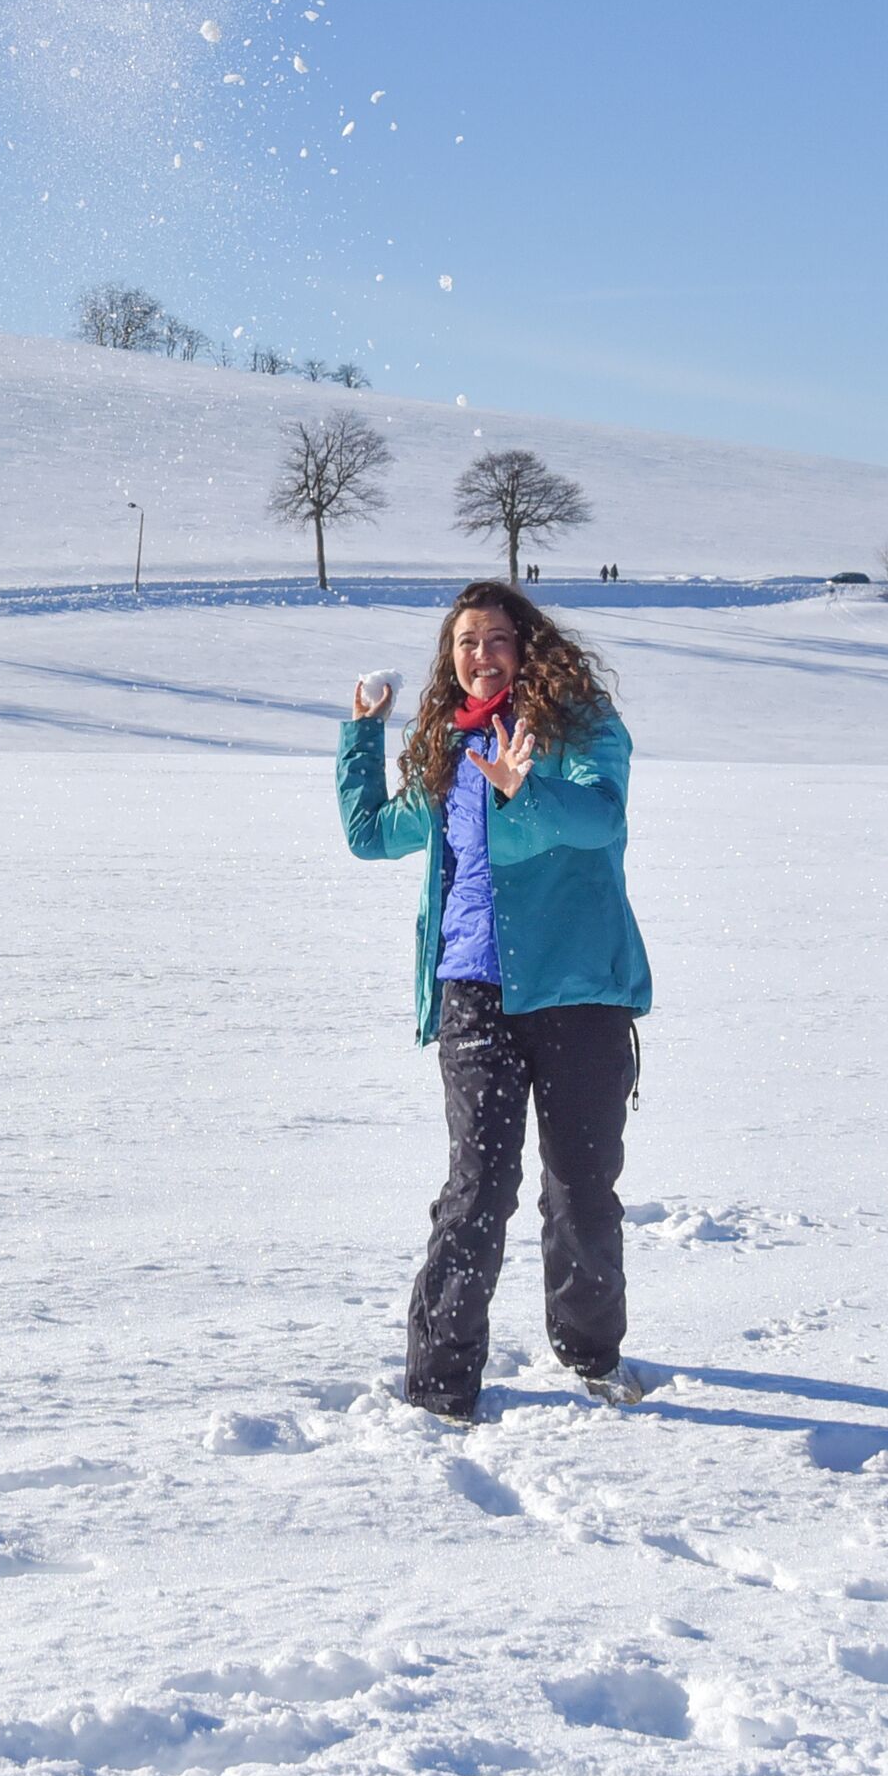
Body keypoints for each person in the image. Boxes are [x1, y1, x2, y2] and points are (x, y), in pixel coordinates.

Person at [337, 581, 653, 1419]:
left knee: (581, 1188)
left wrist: (526, 791)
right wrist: (363, 733)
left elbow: (601, 819)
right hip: (472, 987)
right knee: (477, 1186)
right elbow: (371, 835)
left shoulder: (578, 726)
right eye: (466, 641)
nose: (481, 655)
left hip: (578, 988)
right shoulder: (449, 748)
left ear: (529, 645)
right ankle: (440, 1385)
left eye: (497, 639)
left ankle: (591, 1354)